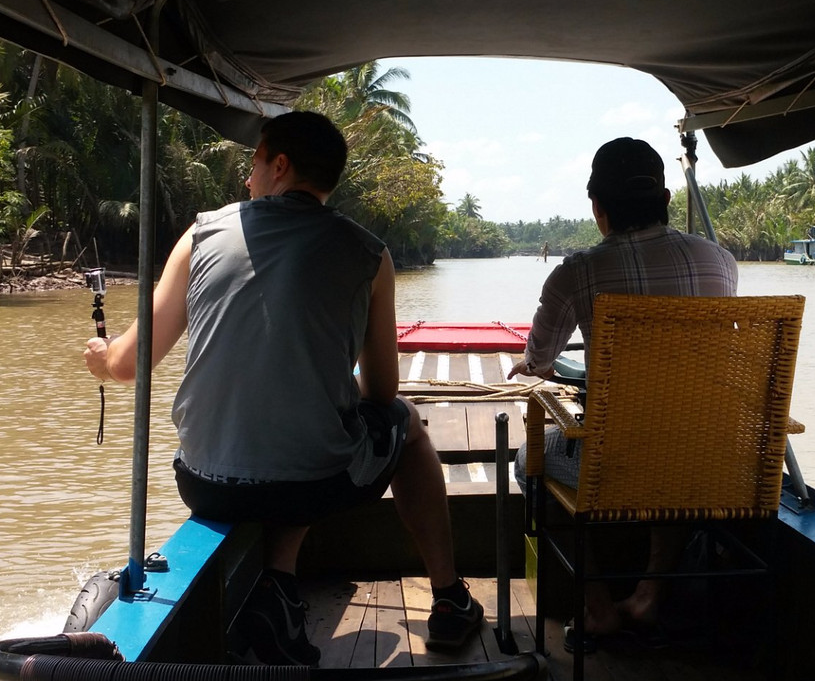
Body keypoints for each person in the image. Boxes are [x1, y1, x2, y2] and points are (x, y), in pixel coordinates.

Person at [84, 111, 482, 666]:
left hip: (203, 481)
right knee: (405, 428)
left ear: (279, 165)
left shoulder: (200, 234)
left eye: (253, 164)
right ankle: (449, 598)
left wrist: (102, 359)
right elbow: (383, 391)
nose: (247, 179)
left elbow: (127, 365)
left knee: (292, 440)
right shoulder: (368, 253)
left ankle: (280, 591)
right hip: (314, 482)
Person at [507, 136, 737, 646]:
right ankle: (649, 595)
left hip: (623, 463)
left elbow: (540, 362)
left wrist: (531, 366)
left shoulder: (577, 272)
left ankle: (597, 609)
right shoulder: (720, 260)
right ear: (666, 201)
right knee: (675, 457)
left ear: (598, 208)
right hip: (713, 460)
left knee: (528, 460)